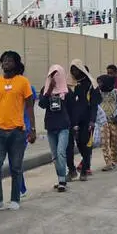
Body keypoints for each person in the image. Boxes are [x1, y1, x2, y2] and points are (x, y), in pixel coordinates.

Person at [0, 51, 37, 212]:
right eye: (4, 60)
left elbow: (29, 106)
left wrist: (32, 129)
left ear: (16, 63)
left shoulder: (23, 82)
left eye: (10, 60)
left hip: (17, 132)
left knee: (16, 167)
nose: (6, 62)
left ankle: (15, 199)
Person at [38, 64, 74, 192]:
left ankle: (62, 180)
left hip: (63, 125)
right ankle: (60, 177)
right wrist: (49, 90)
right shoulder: (45, 89)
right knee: (54, 155)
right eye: (52, 75)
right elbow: (41, 104)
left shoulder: (67, 91)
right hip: (51, 126)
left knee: (60, 152)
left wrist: (73, 125)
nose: (55, 77)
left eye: (57, 74)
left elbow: (72, 108)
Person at [67, 59, 101, 181]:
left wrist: (92, 120)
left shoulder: (91, 84)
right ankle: (71, 170)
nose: (74, 72)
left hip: (86, 119)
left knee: (84, 144)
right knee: (68, 147)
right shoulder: (69, 84)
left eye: (76, 69)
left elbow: (94, 104)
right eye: (72, 70)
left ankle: (85, 169)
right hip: (71, 120)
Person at [10, 84, 36, 198]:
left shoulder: (29, 87)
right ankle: (21, 188)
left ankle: (19, 189)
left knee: (16, 160)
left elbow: (31, 108)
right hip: (9, 128)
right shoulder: (5, 86)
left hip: (23, 128)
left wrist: (31, 129)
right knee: (13, 161)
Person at [98, 74, 117, 171]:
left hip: (114, 121)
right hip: (103, 121)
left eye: (101, 82)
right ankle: (108, 162)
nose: (99, 84)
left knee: (114, 142)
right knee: (105, 142)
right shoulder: (98, 92)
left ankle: (113, 159)